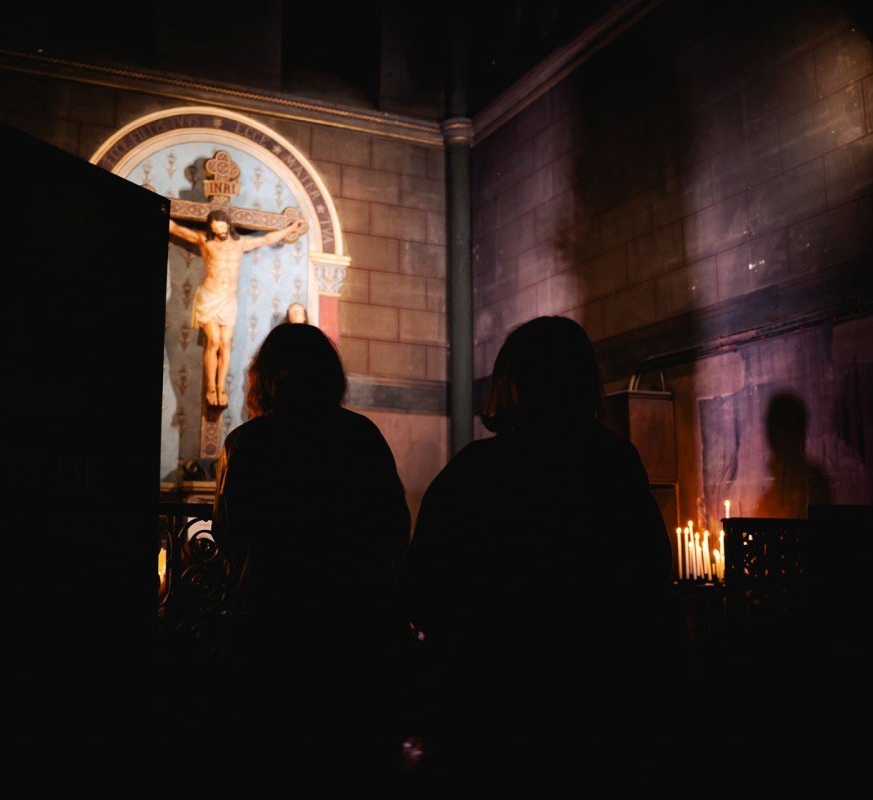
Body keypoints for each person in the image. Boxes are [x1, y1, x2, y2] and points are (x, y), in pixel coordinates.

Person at [400, 316, 678, 783]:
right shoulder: (613, 462)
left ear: (512, 383)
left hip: (491, 714)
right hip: (599, 713)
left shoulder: (476, 472)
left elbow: (422, 593)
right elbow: (650, 581)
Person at [213, 323, 411, 780]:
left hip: (273, 628)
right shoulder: (361, 436)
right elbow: (394, 528)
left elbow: (231, 533)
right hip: (357, 632)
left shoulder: (248, 443)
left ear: (266, 378)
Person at [168, 210, 308, 408]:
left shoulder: (239, 243)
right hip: (209, 296)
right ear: (211, 229)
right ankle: (210, 387)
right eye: (215, 229)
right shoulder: (205, 241)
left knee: (225, 343)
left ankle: (221, 386)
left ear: (228, 225)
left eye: (222, 227)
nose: (220, 232)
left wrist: (290, 228)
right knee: (214, 341)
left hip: (228, 299)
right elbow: (176, 229)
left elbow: (267, 239)